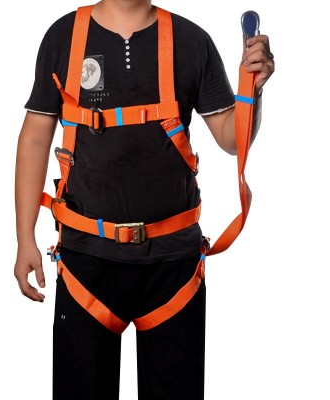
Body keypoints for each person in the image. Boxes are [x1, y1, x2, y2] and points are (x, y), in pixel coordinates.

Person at [14, 1, 274, 399]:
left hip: (173, 267)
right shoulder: (64, 36)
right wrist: (25, 239)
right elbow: (35, 137)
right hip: (86, 262)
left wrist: (252, 88)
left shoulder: (191, 41)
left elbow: (231, 138)